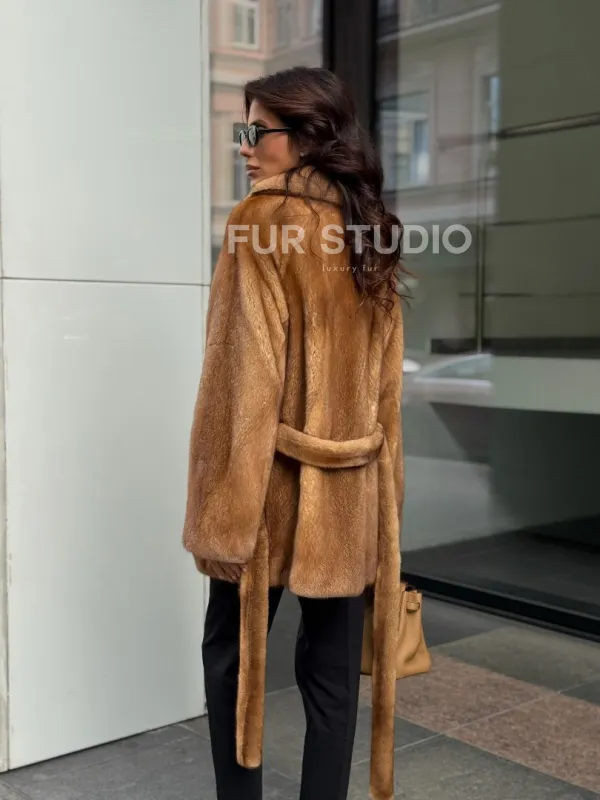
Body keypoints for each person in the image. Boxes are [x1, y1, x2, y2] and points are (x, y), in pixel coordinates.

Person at [182, 66, 407, 800]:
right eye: (241, 130)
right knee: (333, 673)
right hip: (352, 493)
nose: (245, 147)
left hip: (269, 492)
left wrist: (223, 516)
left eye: (258, 131)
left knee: (232, 655)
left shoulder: (259, 222)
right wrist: (387, 507)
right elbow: (387, 396)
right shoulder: (369, 225)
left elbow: (239, 387)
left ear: (308, 136)